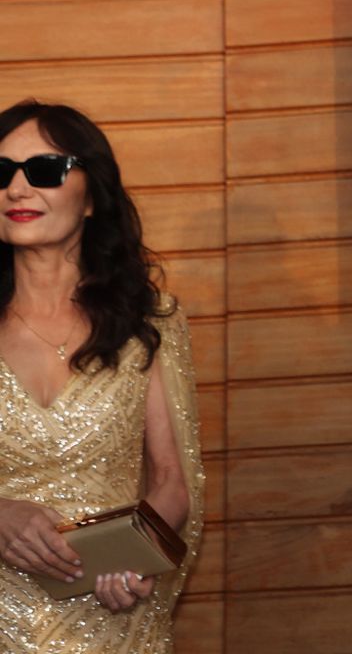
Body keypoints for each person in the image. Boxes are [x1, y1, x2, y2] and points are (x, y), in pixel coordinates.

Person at [0, 101, 204, 653]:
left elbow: (171, 479)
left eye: (44, 170)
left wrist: (134, 556)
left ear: (91, 196)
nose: (16, 189)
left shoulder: (148, 320)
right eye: (1, 172)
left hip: (110, 616)